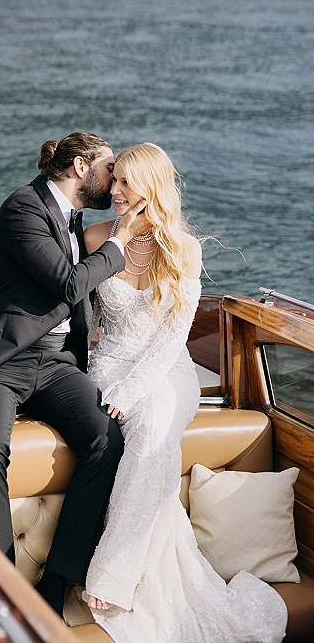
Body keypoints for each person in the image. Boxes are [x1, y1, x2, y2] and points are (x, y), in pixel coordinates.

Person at [81, 142, 287, 643]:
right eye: (115, 179)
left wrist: (132, 389)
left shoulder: (183, 250)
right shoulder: (93, 238)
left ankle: (112, 574)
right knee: (143, 438)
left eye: (127, 181)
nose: (115, 189)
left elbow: (174, 336)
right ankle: (127, 572)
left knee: (152, 425)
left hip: (168, 370)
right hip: (108, 364)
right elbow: (82, 320)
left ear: (152, 187)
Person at [0, 132, 149, 615]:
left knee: (107, 441)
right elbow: (69, 282)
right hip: (2, 360)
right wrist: (120, 242)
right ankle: (1, 589)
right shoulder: (23, 209)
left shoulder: (74, 217)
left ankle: (56, 581)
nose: (113, 181)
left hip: (58, 362)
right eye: (108, 169)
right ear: (81, 167)